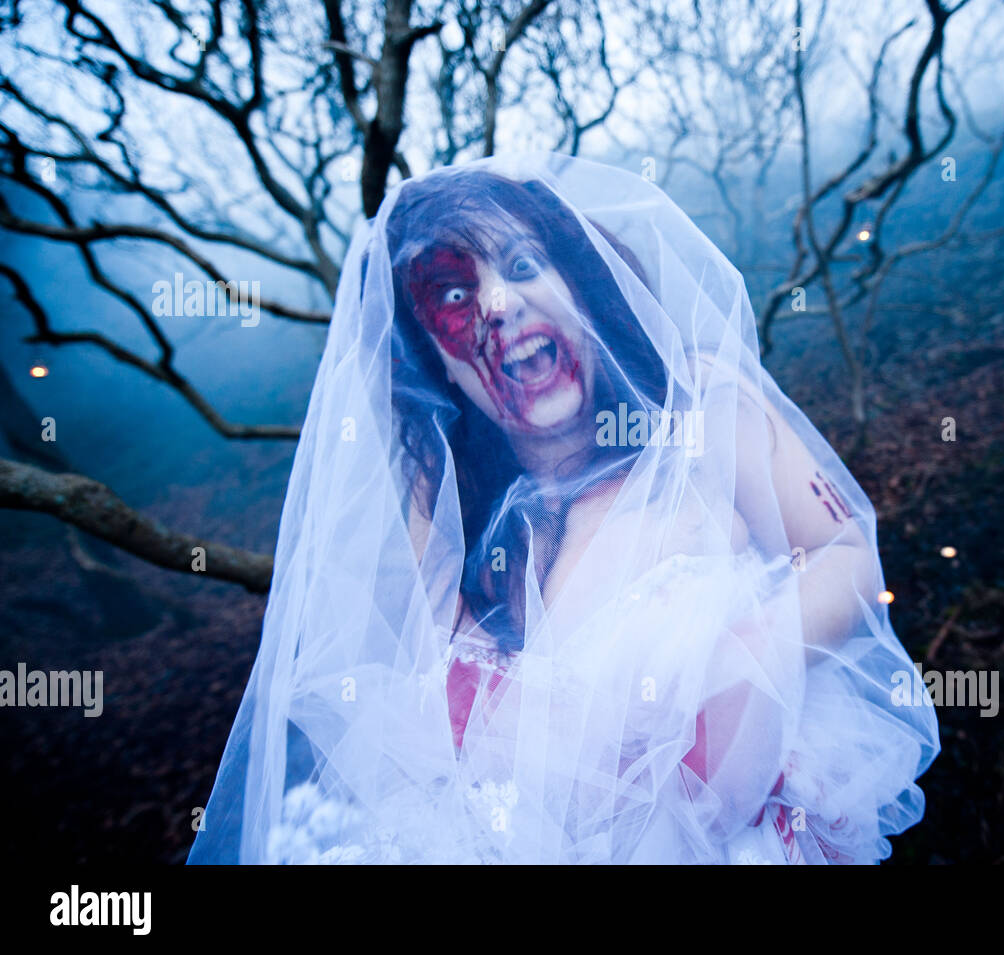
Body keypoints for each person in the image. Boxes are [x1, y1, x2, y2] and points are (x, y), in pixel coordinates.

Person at [189, 152, 938, 865]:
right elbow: (433, 729)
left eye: (521, 265)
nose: (499, 303)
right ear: (436, 363)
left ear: (578, 284)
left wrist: (751, 649)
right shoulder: (446, 512)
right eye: (452, 296)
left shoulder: (700, 408)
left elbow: (848, 553)